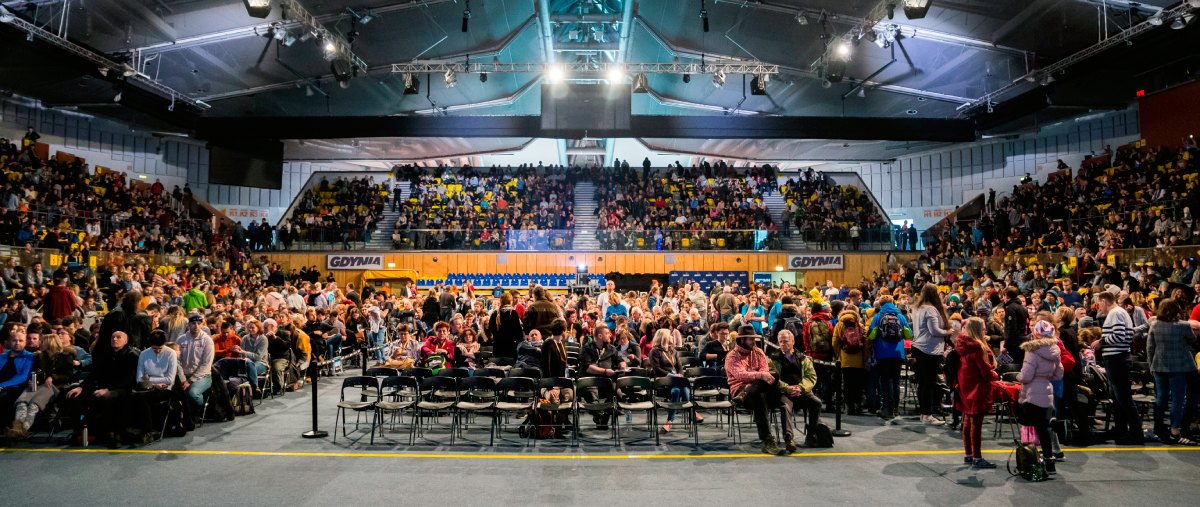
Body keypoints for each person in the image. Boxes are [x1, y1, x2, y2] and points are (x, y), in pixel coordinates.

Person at [64, 331, 140, 448]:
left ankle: (113, 434)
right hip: (102, 387)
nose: (115, 339)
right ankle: (80, 431)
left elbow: (129, 379)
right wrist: (81, 387)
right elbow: (94, 374)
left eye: (118, 337)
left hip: (122, 389)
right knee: (74, 395)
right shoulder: (106, 355)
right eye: (113, 337)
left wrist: (108, 389)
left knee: (107, 397)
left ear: (125, 341)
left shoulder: (131, 355)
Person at [6, 321, 76, 440]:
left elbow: (69, 376)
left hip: (53, 387)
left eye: (42, 342)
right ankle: (17, 429)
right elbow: (34, 372)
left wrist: (53, 377)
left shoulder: (66, 357)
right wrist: (32, 380)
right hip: (37, 385)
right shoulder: (39, 357)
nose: (39, 343)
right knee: (22, 403)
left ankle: (22, 430)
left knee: (33, 405)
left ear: (49, 343)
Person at [725, 325, 785, 455]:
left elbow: (765, 371)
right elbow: (740, 375)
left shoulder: (758, 352)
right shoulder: (732, 356)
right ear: (742, 340)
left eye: (754, 338)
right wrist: (758, 375)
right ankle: (767, 440)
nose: (754, 341)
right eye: (750, 339)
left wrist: (754, 378)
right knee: (759, 397)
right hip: (739, 390)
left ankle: (748, 390)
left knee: (774, 375)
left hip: (754, 389)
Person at [1145, 298, 1197, 445]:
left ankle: (1158, 427)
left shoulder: (1155, 325)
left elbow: (1150, 347)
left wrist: (1151, 366)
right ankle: (1175, 429)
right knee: (1178, 399)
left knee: (1160, 398)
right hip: (1179, 366)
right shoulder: (1183, 326)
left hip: (1159, 366)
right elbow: (1192, 339)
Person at [1093, 291, 1142, 444]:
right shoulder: (1120, 312)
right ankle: (1121, 429)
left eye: (1098, 303)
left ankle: (1135, 433)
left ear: (1103, 301)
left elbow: (1119, 336)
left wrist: (1101, 341)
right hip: (1118, 358)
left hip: (1117, 359)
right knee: (1118, 398)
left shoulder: (1115, 313)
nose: (1098, 306)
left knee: (1123, 398)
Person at [1018, 320, 1064, 476]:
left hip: (1032, 392)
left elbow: (1026, 375)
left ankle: (1030, 460)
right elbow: (1059, 374)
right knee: (1044, 430)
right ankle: (1049, 461)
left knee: (1026, 421)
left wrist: (1018, 377)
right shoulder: (1055, 350)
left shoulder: (1032, 350)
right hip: (1047, 391)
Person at [955, 317, 999, 469]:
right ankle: (977, 457)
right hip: (977, 388)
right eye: (983, 328)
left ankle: (969, 453)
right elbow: (986, 373)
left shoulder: (963, 346)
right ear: (977, 330)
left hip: (965, 387)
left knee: (967, 422)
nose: (985, 331)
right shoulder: (977, 349)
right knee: (976, 425)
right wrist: (995, 375)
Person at [769, 329, 823, 452]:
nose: (783, 344)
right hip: (784, 393)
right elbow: (772, 378)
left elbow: (811, 377)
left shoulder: (803, 358)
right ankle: (789, 439)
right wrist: (786, 388)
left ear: (793, 341)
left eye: (786, 341)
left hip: (801, 391)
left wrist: (801, 388)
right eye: (780, 342)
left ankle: (810, 436)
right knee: (785, 406)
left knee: (817, 402)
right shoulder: (773, 359)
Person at [911, 283, 956, 425]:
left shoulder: (917, 308)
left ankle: (924, 414)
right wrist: (948, 332)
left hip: (918, 347)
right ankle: (927, 415)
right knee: (929, 384)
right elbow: (934, 331)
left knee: (923, 384)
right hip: (928, 350)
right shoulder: (930, 309)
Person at [867, 295, 912, 419]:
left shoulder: (877, 317)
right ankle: (896, 409)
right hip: (898, 354)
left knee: (886, 381)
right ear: (893, 303)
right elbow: (909, 335)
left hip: (882, 353)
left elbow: (871, 336)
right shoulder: (900, 316)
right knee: (896, 381)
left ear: (880, 305)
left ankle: (887, 409)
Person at [647, 328, 699, 433]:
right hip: (663, 382)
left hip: (676, 381)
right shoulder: (654, 351)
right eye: (670, 334)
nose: (672, 336)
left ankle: (669, 422)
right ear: (663, 337)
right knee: (679, 388)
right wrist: (672, 375)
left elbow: (680, 366)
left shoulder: (672, 350)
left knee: (677, 390)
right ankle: (692, 412)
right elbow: (657, 369)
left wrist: (679, 374)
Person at [579, 325, 625, 430]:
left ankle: (604, 417)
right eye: (607, 333)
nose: (610, 335)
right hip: (590, 381)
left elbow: (620, 360)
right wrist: (604, 371)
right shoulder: (587, 348)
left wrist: (622, 365)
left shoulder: (611, 348)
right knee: (592, 395)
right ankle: (598, 416)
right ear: (600, 335)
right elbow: (588, 368)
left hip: (606, 382)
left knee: (618, 393)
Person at [177, 314, 214, 419]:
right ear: (189, 324)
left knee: (193, 393)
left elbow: (206, 365)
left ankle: (200, 410)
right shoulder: (181, 339)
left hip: (203, 376)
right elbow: (177, 361)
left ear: (202, 324)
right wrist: (183, 378)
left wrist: (190, 380)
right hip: (183, 375)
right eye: (193, 323)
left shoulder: (207, 340)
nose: (196, 326)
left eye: (199, 323)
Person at [832, 308, 868, 415]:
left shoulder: (839, 325)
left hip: (845, 360)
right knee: (858, 384)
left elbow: (835, 341)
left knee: (847, 384)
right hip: (859, 360)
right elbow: (866, 342)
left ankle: (849, 407)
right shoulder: (860, 325)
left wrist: (838, 354)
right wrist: (865, 357)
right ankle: (858, 406)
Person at [0, 323, 35, 432]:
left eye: (20, 341)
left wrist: (2, 385)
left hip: (16, 388)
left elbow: (23, 377)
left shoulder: (29, 356)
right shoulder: (2, 356)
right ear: (10, 342)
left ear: (25, 342)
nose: (17, 343)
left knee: (3, 396)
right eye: (14, 340)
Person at [486, 293, 523, 360]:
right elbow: (518, 331)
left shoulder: (494, 313)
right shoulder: (513, 313)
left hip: (497, 345)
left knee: (498, 367)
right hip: (510, 346)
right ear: (511, 301)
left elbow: (490, 329)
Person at [237, 320, 269, 395]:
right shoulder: (245, 338)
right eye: (249, 328)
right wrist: (242, 354)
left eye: (252, 327)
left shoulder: (263, 339)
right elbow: (240, 354)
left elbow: (258, 357)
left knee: (251, 366)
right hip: (246, 362)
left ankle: (254, 387)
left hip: (261, 363)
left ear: (258, 328)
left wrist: (244, 353)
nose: (250, 329)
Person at [1002, 286, 1030, 366]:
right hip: (1023, 340)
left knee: (1014, 365)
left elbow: (1011, 328)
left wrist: (1006, 345)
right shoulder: (1023, 308)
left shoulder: (1010, 308)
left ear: (1006, 295)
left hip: (1014, 344)